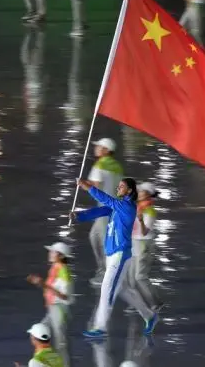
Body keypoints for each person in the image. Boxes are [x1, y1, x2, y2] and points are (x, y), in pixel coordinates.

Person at [72, 178, 158, 338]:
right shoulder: (117, 206)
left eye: (122, 186)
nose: (118, 187)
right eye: (118, 185)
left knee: (107, 289)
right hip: (111, 255)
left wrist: (88, 187)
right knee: (124, 290)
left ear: (130, 191)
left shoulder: (127, 206)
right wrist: (79, 216)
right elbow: (102, 210)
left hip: (120, 255)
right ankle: (150, 316)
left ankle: (101, 327)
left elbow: (106, 199)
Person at [27, 242, 74, 366]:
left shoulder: (63, 271)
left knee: (60, 342)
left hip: (59, 309)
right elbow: (51, 289)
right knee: (39, 332)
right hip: (53, 308)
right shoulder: (55, 268)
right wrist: (40, 283)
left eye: (53, 251)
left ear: (61, 256)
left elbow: (64, 295)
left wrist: (42, 283)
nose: (50, 253)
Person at [86, 138, 123, 287]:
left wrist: (82, 183)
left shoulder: (100, 164)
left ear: (106, 150)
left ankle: (108, 275)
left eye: (99, 147)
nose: (96, 149)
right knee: (94, 237)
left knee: (102, 241)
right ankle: (104, 270)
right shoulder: (118, 167)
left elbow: (94, 186)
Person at [129, 182, 162, 312]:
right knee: (131, 276)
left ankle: (156, 303)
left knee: (140, 276)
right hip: (134, 243)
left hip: (144, 245)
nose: (139, 193)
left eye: (142, 191)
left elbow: (144, 232)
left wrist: (141, 220)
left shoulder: (150, 211)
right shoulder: (138, 206)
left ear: (148, 195)